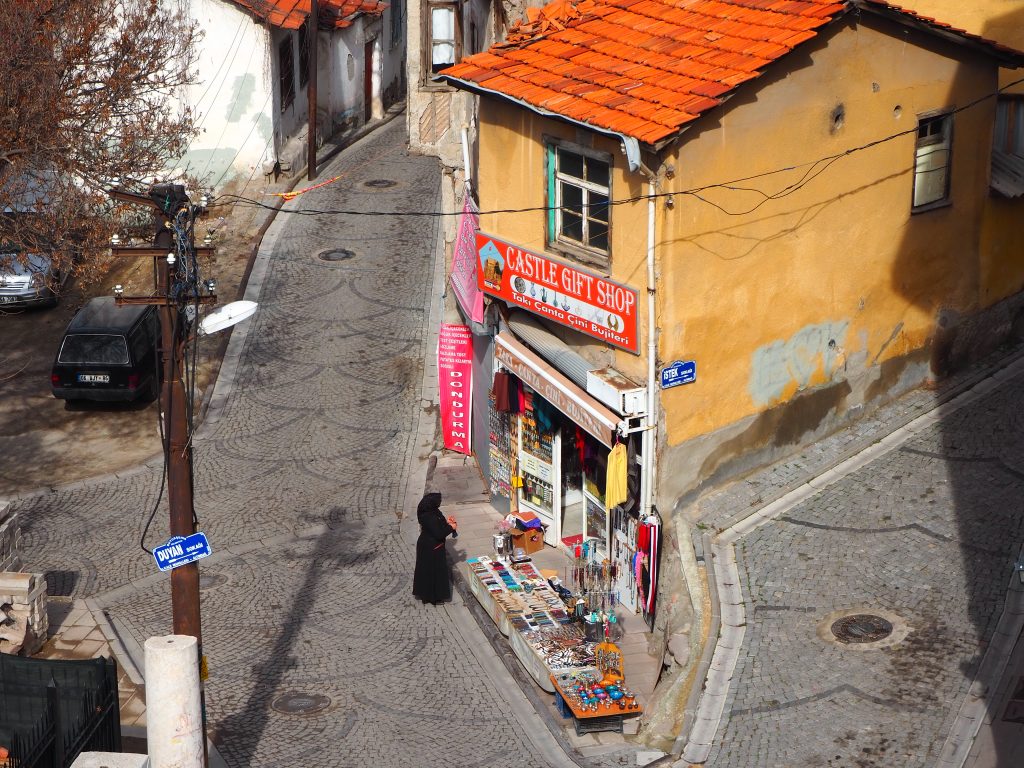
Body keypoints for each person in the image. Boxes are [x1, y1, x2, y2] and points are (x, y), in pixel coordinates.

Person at [413, 492, 458, 604]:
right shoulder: (430, 516)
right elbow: (439, 533)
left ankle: (427, 595)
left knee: (427, 571)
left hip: (429, 546)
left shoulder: (429, 511)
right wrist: (451, 527)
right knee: (433, 573)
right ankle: (433, 597)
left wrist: (447, 522)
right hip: (432, 548)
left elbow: (438, 525)